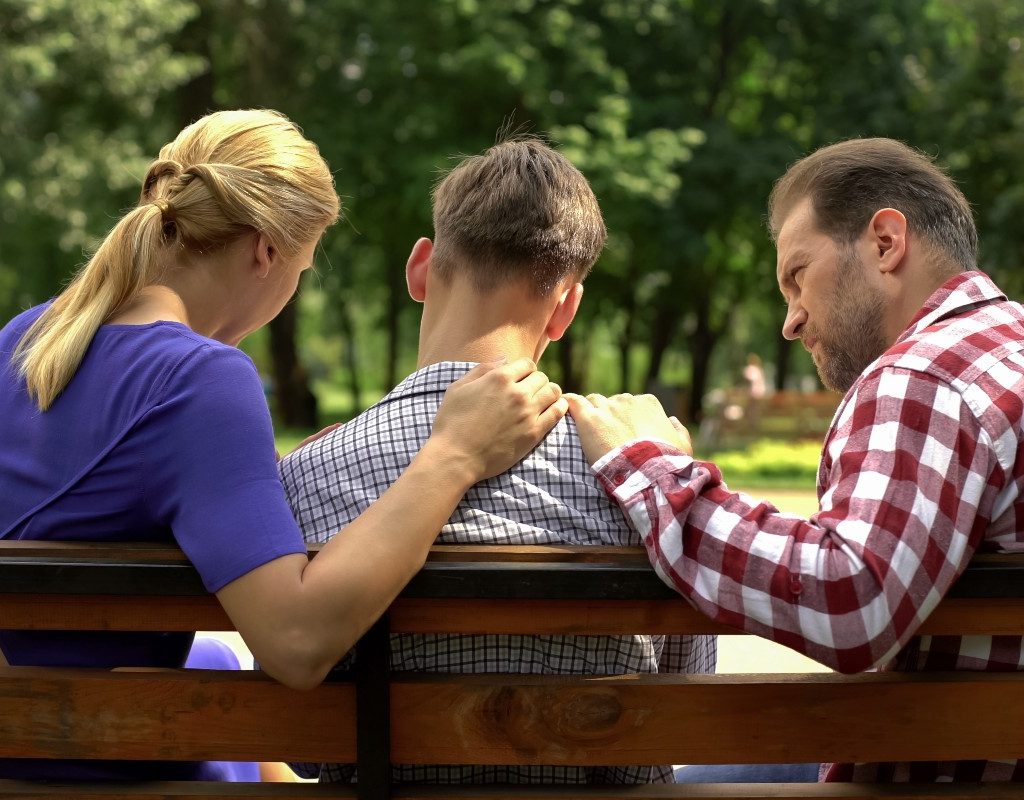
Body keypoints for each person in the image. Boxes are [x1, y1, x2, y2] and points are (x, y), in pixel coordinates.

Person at [0, 110, 566, 782]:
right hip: (84, 756)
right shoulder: (200, 377)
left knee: (216, 663)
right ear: (266, 252)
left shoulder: (28, 337)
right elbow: (297, 643)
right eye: (302, 268)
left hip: (28, 717)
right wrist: (454, 453)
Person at [567, 137, 1024, 784]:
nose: (790, 320)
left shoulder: (924, 377)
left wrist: (649, 465)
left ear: (885, 243)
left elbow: (851, 597)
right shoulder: (1006, 346)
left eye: (797, 276)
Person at [279, 138, 716, 786]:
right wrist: (672, 477)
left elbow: (304, 748)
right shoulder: (640, 478)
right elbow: (680, 713)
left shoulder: (308, 474)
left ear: (420, 268)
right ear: (566, 308)